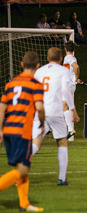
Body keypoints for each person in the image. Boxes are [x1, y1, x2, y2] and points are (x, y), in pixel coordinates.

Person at [0, 51, 44, 212]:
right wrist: (43, 124)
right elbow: (39, 107)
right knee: (23, 169)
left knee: (23, 167)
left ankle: (24, 204)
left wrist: (0, 130)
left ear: (21, 64)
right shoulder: (35, 84)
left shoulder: (10, 84)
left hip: (9, 129)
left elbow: (2, 107)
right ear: (37, 66)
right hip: (22, 131)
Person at [32, 47, 80, 186]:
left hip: (40, 110)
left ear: (47, 58)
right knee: (62, 142)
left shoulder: (39, 71)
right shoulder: (63, 71)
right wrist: (73, 110)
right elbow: (65, 91)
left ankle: (20, 169)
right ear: (60, 59)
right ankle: (62, 178)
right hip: (55, 111)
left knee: (36, 142)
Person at [62, 41, 82, 139]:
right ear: (74, 49)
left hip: (68, 84)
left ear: (65, 49)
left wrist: (74, 79)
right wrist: (76, 78)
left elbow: (76, 66)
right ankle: (69, 129)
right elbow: (75, 68)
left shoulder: (68, 57)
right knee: (63, 106)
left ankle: (70, 129)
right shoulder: (73, 57)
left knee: (63, 106)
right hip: (70, 84)